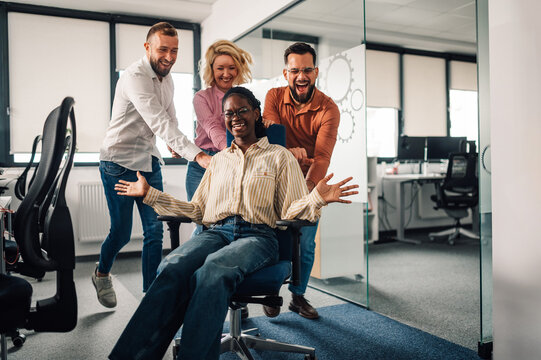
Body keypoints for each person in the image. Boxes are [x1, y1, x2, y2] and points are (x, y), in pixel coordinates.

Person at [108, 87, 357, 360]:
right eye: (229, 113)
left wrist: (317, 198)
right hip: (217, 232)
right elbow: (198, 210)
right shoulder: (219, 162)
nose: (235, 117)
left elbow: (291, 210)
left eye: (242, 111)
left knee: (213, 270)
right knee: (172, 265)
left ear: (256, 113)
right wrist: (150, 195)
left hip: (259, 236)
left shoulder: (279, 156)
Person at [93, 22, 212, 308]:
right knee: (121, 232)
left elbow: (169, 118)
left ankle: (150, 298)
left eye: (174, 51)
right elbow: (157, 120)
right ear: (147, 47)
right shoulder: (135, 77)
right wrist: (196, 155)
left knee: (155, 230)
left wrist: (174, 143)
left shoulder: (166, 78)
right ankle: (101, 272)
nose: (169, 57)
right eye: (163, 49)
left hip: (148, 161)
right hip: (117, 162)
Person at [262, 42, 341, 320]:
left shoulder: (329, 109)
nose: (301, 76)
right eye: (295, 70)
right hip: (273, 182)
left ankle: (297, 295)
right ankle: (272, 290)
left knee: (305, 243)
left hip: (308, 184)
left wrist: (307, 197)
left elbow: (321, 158)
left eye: (307, 69)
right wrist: (290, 154)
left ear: (316, 71)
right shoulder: (273, 96)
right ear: (286, 74)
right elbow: (271, 142)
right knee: (271, 238)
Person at [185, 40, 252, 231]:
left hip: (232, 161)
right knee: (202, 223)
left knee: (224, 223)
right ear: (211, 70)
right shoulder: (201, 98)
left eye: (231, 68)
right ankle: (193, 261)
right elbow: (211, 126)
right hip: (203, 163)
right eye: (220, 68)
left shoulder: (245, 98)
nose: (226, 73)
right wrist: (228, 151)